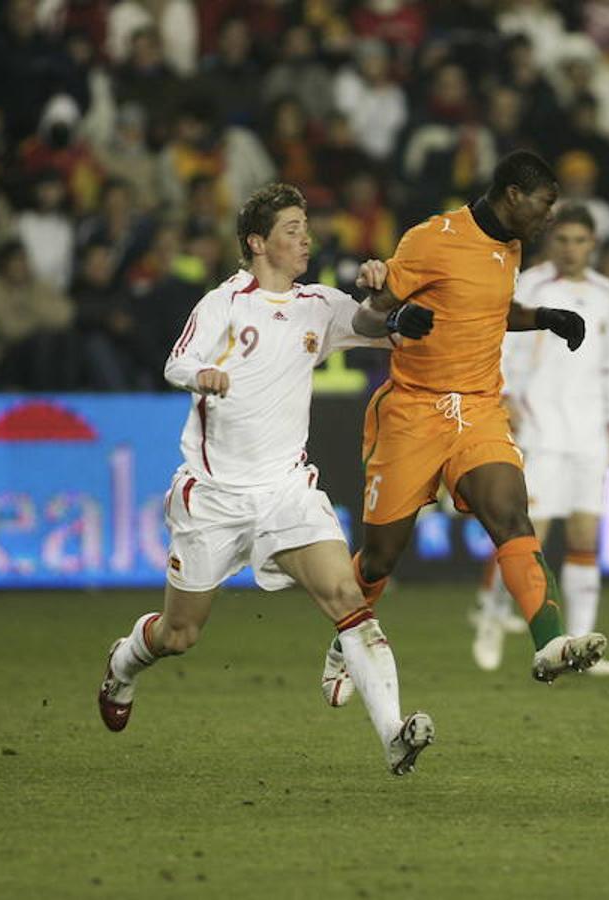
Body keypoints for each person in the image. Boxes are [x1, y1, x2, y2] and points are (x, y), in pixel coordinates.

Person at [96, 184, 434, 777]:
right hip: (215, 496)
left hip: (286, 491)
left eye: (306, 228)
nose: (306, 239)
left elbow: (377, 324)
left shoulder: (318, 304)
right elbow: (177, 362)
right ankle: (123, 664)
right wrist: (202, 374)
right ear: (257, 242)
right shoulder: (224, 303)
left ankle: (393, 736)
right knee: (179, 634)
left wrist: (391, 300)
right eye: (292, 230)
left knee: (348, 599)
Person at [323, 151, 609, 707]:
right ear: (513, 196)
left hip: (477, 408)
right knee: (380, 557)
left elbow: (486, 307)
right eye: (544, 204)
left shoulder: (511, 246)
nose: (549, 217)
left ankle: (550, 643)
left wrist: (542, 318)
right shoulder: (431, 240)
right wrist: (396, 317)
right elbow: (365, 317)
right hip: (412, 410)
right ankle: (344, 645)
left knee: (510, 512)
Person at [470, 204, 609, 674]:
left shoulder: (605, 292)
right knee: (527, 534)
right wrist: (505, 398)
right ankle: (491, 614)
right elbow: (500, 344)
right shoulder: (529, 286)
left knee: (585, 535)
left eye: (580, 241)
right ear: (550, 242)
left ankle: (581, 646)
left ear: (593, 244)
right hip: (540, 426)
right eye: (563, 240)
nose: (571, 249)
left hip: (589, 430)